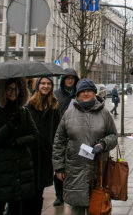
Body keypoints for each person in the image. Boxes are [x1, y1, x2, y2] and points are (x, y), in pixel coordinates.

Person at [52, 79, 118, 215]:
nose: (86, 93)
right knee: (76, 209)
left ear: (95, 93)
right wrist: (58, 167)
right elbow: (59, 141)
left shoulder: (105, 113)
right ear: (77, 94)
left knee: (98, 209)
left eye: (89, 91)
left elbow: (113, 136)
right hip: (75, 171)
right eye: (82, 91)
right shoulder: (69, 114)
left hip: (98, 170)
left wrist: (103, 144)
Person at [0, 78, 38, 215]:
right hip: (1, 168)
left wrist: (17, 142)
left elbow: (34, 135)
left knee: (16, 207)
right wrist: (9, 126)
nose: (13, 92)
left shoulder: (24, 112)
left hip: (21, 167)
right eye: (9, 89)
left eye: (16, 89)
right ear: (2, 91)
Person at [23, 77, 61, 215]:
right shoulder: (29, 105)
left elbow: (58, 130)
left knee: (39, 192)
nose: (46, 86)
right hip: (29, 154)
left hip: (45, 154)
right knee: (28, 191)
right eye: (43, 83)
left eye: (49, 84)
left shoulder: (53, 105)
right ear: (38, 86)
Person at [52, 69, 79, 206]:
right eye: (67, 78)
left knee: (74, 166)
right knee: (59, 166)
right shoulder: (56, 95)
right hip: (60, 133)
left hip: (75, 134)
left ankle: (72, 191)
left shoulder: (79, 94)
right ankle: (59, 195)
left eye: (72, 78)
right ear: (63, 80)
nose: (69, 80)